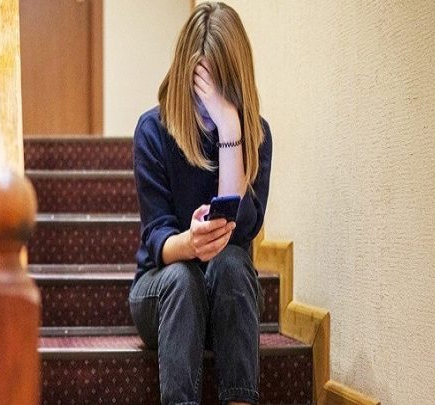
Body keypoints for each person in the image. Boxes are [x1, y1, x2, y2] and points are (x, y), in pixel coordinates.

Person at [128, 2, 272, 405]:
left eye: (219, 92)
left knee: (233, 262)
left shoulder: (255, 135)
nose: (207, 106)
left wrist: (229, 129)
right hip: (162, 293)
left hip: (226, 300)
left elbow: (241, 230)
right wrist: (191, 243)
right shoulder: (153, 130)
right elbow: (158, 240)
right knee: (183, 278)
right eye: (200, 89)